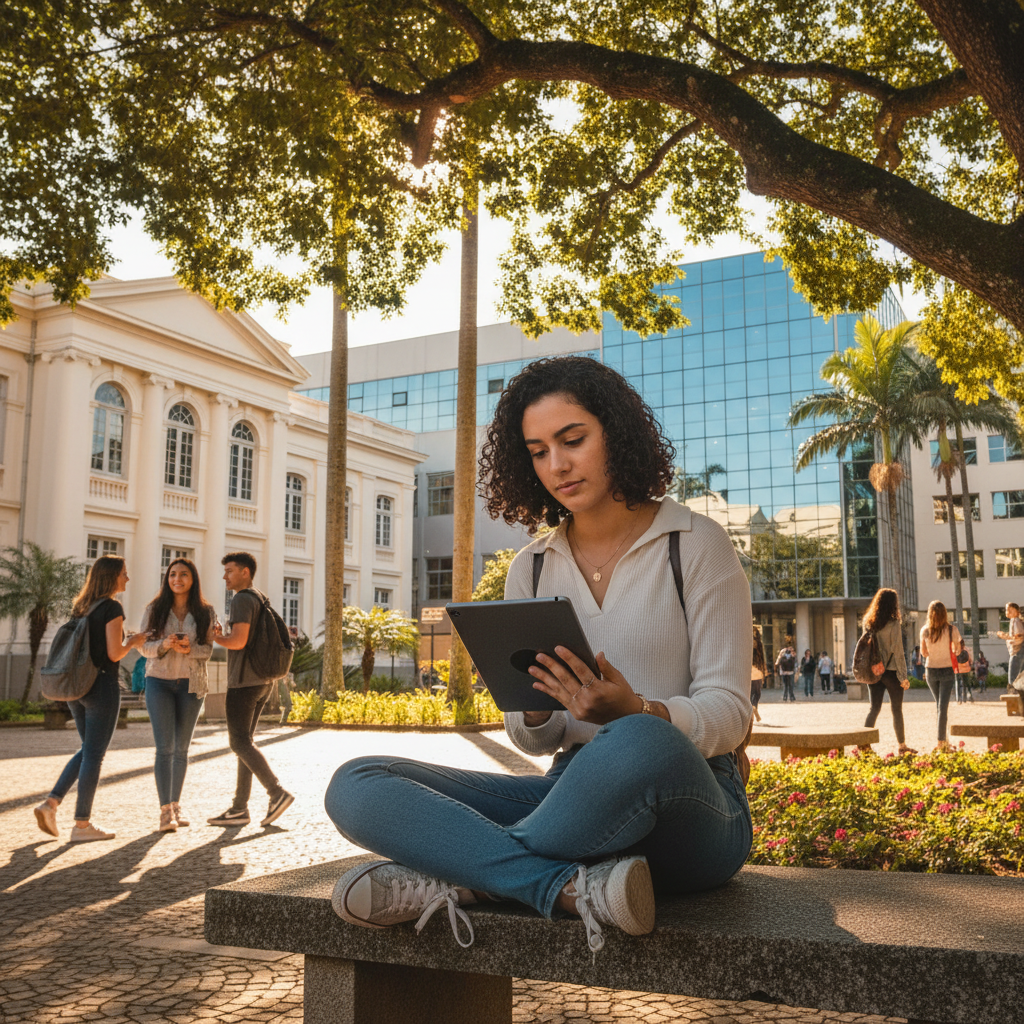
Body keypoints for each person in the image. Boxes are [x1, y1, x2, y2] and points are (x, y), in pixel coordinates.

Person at [324, 356, 753, 954]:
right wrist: (531, 711)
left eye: (573, 440)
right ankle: (564, 886)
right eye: (538, 450)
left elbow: (731, 713)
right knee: (357, 781)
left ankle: (469, 874)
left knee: (637, 741)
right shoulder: (531, 565)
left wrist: (640, 711)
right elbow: (536, 741)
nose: (557, 465)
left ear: (617, 432)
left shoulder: (695, 543)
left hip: (695, 804)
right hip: (568, 794)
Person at [33, 556, 147, 841]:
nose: (128, 579)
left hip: (76, 687)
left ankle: (51, 803)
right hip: (101, 686)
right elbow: (114, 654)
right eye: (124, 573)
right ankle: (81, 825)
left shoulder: (81, 607)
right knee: (94, 754)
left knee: (87, 750)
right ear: (111, 577)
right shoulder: (112, 607)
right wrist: (134, 641)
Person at [208, 552, 294, 827]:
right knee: (245, 744)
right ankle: (239, 809)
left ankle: (276, 792)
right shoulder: (258, 597)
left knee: (239, 743)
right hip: (262, 681)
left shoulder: (242, 599)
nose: (225, 576)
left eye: (229, 571)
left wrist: (215, 636)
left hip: (244, 682)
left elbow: (238, 641)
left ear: (245, 572)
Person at [140, 558, 216, 832]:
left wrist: (189, 650)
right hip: (159, 682)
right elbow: (143, 647)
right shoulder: (154, 609)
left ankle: (176, 805)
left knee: (182, 750)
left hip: (192, 685)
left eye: (184, 574)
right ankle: (164, 811)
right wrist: (164, 644)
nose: (177, 579)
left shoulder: (206, 611)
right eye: (173, 574)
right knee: (165, 748)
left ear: (193, 579)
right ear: (167, 578)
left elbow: (207, 650)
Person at [861, 588, 915, 756]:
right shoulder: (893, 624)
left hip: (874, 671)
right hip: (891, 672)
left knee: (874, 708)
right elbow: (898, 652)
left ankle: (863, 745)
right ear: (893, 604)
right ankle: (902, 745)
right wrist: (903, 676)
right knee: (896, 710)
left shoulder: (868, 622)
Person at [920, 600, 963, 751]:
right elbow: (957, 651)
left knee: (939, 706)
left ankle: (944, 740)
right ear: (944, 613)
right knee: (942, 708)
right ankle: (941, 742)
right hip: (946, 670)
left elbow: (924, 653)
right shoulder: (952, 629)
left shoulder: (925, 630)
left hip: (930, 670)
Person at [996, 603, 1024, 688]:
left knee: (1013, 678)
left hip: (1017, 651)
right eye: (1007, 610)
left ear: (1017, 612)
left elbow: (1020, 636)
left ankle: (1013, 694)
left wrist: (1006, 637)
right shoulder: (1014, 620)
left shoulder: (1016, 621)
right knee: (1018, 676)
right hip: (1017, 651)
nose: (1008, 612)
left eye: (1010, 610)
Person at [751, 625, 765, 722]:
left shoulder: (745, 642)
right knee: (757, 693)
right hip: (757, 671)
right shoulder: (759, 644)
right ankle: (754, 706)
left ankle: (751, 713)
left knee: (750, 693)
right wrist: (764, 672)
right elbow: (762, 659)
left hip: (749, 671)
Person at [954, 639, 974, 704]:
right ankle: (965, 698)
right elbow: (970, 660)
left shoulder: (955, 650)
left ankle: (958, 699)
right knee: (966, 683)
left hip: (958, 669)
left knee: (957, 683)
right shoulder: (967, 649)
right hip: (966, 669)